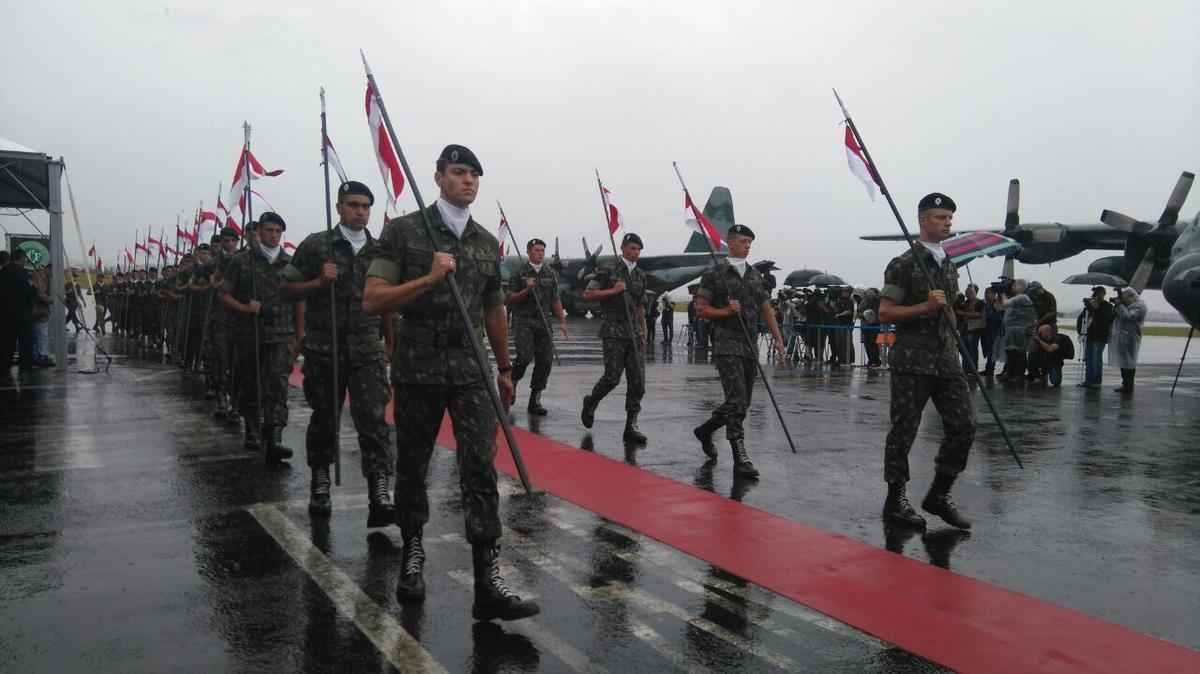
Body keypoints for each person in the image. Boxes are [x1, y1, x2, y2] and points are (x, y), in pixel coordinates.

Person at [363, 144, 538, 621]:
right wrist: (428, 278)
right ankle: (413, 552)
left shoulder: (485, 242)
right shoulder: (404, 232)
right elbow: (373, 299)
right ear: (438, 177)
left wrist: (503, 367)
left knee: (481, 465)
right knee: (414, 465)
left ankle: (487, 581)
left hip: (470, 369)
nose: (468, 181)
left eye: (475, 175)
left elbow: (493, 306)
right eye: (459, 173)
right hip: (418, 366)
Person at [284, 181, 397, 525]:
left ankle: (379, 490)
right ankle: (320, 480)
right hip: (325, 347)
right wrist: (317, 283)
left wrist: (390, 344)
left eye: (365, 206)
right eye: (352, 205)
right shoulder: (318, 245)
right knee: (324, 419)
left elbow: (388, 302)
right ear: (338, 207)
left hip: (366, 348)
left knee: (374, 421)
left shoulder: (382, 251)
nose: (359, 211)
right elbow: (286, 288)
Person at [878, 193, 974, 531]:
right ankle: (896, 499)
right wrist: (925, 308)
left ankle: (939, 493)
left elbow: (947, 310)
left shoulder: (949, 263)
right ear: (922, 221)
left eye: (949, 217)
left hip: (946, 359)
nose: (948, 222)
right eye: (940, 217)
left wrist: (955, 316)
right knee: (904, 430)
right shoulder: (904, 263)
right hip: (912, 359)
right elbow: (885, 312)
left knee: (964, 426)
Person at [691, 225, 786, 478]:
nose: (748, 246)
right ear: (730, 243)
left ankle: (706, 429)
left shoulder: (755, 275)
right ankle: (739, 454)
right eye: (743, 241)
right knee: (735, 401)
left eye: (750, 242)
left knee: (742, 404)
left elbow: (766, 308)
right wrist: (725, 312)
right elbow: (700, 308)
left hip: (749, 345)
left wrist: (778, 339)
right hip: (726, 343)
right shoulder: (715, 273)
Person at [220, 213, 299, 462]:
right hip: (249, 332)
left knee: (277, 386)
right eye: (268, 230)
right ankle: (253, 428)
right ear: (259, 232)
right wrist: (245, 308)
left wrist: (299, 334)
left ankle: (274, 436)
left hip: (281, 333)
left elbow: (299, 301)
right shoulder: (242, 261)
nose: (273, 235)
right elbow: (224, 294)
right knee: (250, 382)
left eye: (278, 231)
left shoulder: (290, 263)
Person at [580, 232, 649, 443]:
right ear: (622, 248)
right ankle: (591, 402)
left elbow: (639, 307)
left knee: (638, 381)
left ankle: (631, 425)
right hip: (614, 331)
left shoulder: (640, 275)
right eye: (631, 248)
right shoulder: (608, 269)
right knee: (612, 377)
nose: (635, 252)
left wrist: (644, 332)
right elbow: (588, 295)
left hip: (634, 333)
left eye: (638, 249)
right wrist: (613, 290)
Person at [504, 237, 568, 416]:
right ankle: (513, 383)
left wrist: (562, 321)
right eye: (536, 251)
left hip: (543, 321)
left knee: (545, 361)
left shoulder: (550, 273)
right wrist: (526, 290)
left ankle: (535, 399)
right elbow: (508, 298)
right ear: (528, 252)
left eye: (542, 251)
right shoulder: (519, 273)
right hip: (523, 320)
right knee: (524, 356)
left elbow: (555, 299)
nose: (539, 254)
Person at [0, 248, 36, 372]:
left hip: (5, 314)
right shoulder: (24, 273)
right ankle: (26, 368)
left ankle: (4, 368)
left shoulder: (3, 272)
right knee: (25, 342)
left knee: (7, 342)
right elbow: (31, 291)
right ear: (21, 258)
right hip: (23, 314)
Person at [1109, 287, 1147, 394]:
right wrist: (1117, 305)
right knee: (1124, 362)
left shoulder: (1140, 307)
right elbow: (1118, 316)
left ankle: (1129, 386)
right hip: (1123, 337)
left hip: (1131, 338)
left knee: (1129, 362)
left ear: (1132, 297)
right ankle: (1125, 384)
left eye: (1125, 298)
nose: (1123, 300)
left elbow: (1128, 316)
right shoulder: (1128, 306)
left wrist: (1120, 304)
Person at [999, 279, 1036, 381]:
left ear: (1021, 287)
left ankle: (1019, 375)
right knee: (1011, 352)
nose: (1012, 286)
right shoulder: (1016, 298)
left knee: (1019, 353)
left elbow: (1005, 304)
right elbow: (1002, 307)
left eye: (1015, 285)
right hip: (1012, 330)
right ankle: (1011, 373)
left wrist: (1002, 293)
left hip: (1020, 330)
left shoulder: (1022, 297)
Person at [1078, 286, 1114, 389]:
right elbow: (1082, 317)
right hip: (1090, 335)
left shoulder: (1107, 306)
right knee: (1090, 358)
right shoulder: (1090, 306)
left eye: (1099, 293)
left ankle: (1094, 381)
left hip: (1100, 336)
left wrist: (1096, 308)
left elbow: (1108, 318)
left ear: (1103, 294)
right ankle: (1091, 380)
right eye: (1095, 293)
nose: (1096, 295)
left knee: (1095, 359)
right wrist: (1089, 306)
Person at [954, 283, 985, 374]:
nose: (967, 293)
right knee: (964, 350)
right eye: (967, 291)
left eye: (970, 292)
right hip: (964, 329)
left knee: (973, 350)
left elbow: (980, 314)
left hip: (974, 329)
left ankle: (973, 370)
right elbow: (958, 312)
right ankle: (965, 369)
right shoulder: (965, 303)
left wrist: (964, 314)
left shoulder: (980, 302)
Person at [980, 287, 1003, 376]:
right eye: (986, 293)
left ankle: (990, 369)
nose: (986, 295)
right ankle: (988, 368)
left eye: (988, 293)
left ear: (994, 294)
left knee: (992, 351)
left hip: (995, 330)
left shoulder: (997, 304)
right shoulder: (985, 305)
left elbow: (999, 317)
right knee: (988, 350)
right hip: (986, 330)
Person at [858, 288, 883, 367]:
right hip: (865, 326)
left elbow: (878, 312)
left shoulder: (878, 301)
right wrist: (863, 316)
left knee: (874, 343)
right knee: (867, 343)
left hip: (875, 325)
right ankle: (871, 359)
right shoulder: (863, 301)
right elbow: (859, 312)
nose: (870, 293)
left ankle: (876, 360)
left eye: (872, 292)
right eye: (869, 292)